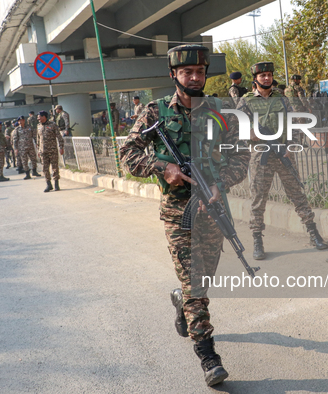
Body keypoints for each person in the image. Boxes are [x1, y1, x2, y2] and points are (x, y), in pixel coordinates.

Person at [120, 44, 250, 387]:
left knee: (201, 281)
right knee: (195, 283)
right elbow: (128, 155)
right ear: (174, 75)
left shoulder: (221, 112)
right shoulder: (155, 112)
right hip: (178, 212)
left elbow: (241, 156)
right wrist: (163, 168)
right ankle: (208, 355)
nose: (195, 78)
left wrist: (220, 183)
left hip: (213, 209)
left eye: (200, 72)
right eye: (187, 72)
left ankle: (181, 301)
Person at [238, 61, 328, 260]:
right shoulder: (245, 101)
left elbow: (294, 124)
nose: (267, 78)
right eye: (262, 76)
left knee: (297, 193)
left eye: (269, 75)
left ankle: (313, 233)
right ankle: (257, 240)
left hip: (283, 152)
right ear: (255, 79)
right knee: (258, 198)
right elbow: (236, 128)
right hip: (261, 155)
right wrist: (248, 135)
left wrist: (291, 146)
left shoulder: (282, 98)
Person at [37, 110, 64, 192]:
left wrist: (61, 147)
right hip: (43, 152)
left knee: (55, 168)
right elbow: (38, 139)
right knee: (45, 169)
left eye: (39, 116)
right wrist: (38, 150)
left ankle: (56, 184)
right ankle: (48, 184)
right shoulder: (39, 126)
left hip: (52, 151)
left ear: (44, 117)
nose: (38, 118)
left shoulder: (53, 125)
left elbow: (59, 137)